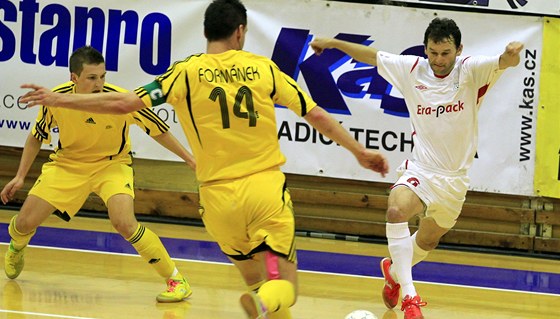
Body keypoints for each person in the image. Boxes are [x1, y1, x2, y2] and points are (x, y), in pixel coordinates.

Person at [17, 1, 389, 317]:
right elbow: (317, 114)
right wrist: (359, 152)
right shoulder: (263, 69)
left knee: (260, 277)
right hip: (263, 193)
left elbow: (124, 102)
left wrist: (58, 98)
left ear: (206, 32)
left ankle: (261, 295)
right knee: (282, 285)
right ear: (240, 32)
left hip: (218, 203)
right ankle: (264, 296)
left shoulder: (184, 72)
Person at [310, 17, 524, 319]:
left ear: (458, 49)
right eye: (433, 53)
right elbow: (371, 56)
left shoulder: (471, 70)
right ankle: (411, 298)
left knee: (427, 240)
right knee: (396, 211)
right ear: (426, 50)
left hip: (455, 180)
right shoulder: (412, 69)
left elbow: (504, 61)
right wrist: (332, 43)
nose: (439, 60)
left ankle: (394, 272)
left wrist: (511, 54)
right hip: (421, 169)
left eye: (446, 53)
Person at [1, 46, 195, 303]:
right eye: (92, 78)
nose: (99, 83)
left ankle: (176, 280)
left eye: (102, 76)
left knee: (124, 222)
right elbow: (36, 137)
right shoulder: (56, 98)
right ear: (74, 78)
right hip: (68, 165)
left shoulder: (121, 99)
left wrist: (190, 159)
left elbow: (159, 131)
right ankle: (17, 245)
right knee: (24, 224)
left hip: (111, 165)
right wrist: (20, 176)